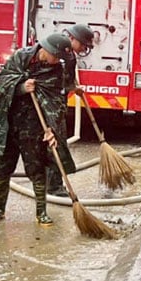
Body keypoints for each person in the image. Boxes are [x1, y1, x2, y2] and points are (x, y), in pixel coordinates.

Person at [0, 33, 75, 226]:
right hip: (9, 123)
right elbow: (1, 84)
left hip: (33, 125)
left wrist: (52, 129)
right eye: (56, 56)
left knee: (36, 167)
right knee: (3, 166)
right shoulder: (20, 58)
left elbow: (56, 101)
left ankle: (41, 212)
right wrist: (21, 87)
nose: (57, 61)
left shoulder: (55, 69)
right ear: (47, 50)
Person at [41, 23, 94, 197]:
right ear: (72, 39)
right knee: (55, 144)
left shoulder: (70, 57)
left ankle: (51, 182)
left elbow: (66, 82)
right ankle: (53, 185)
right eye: (83, 44)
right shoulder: (54, 52)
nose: (84, 48)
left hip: (58, 106)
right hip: (47, 105)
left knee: (57, 143)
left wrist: (74, 88)